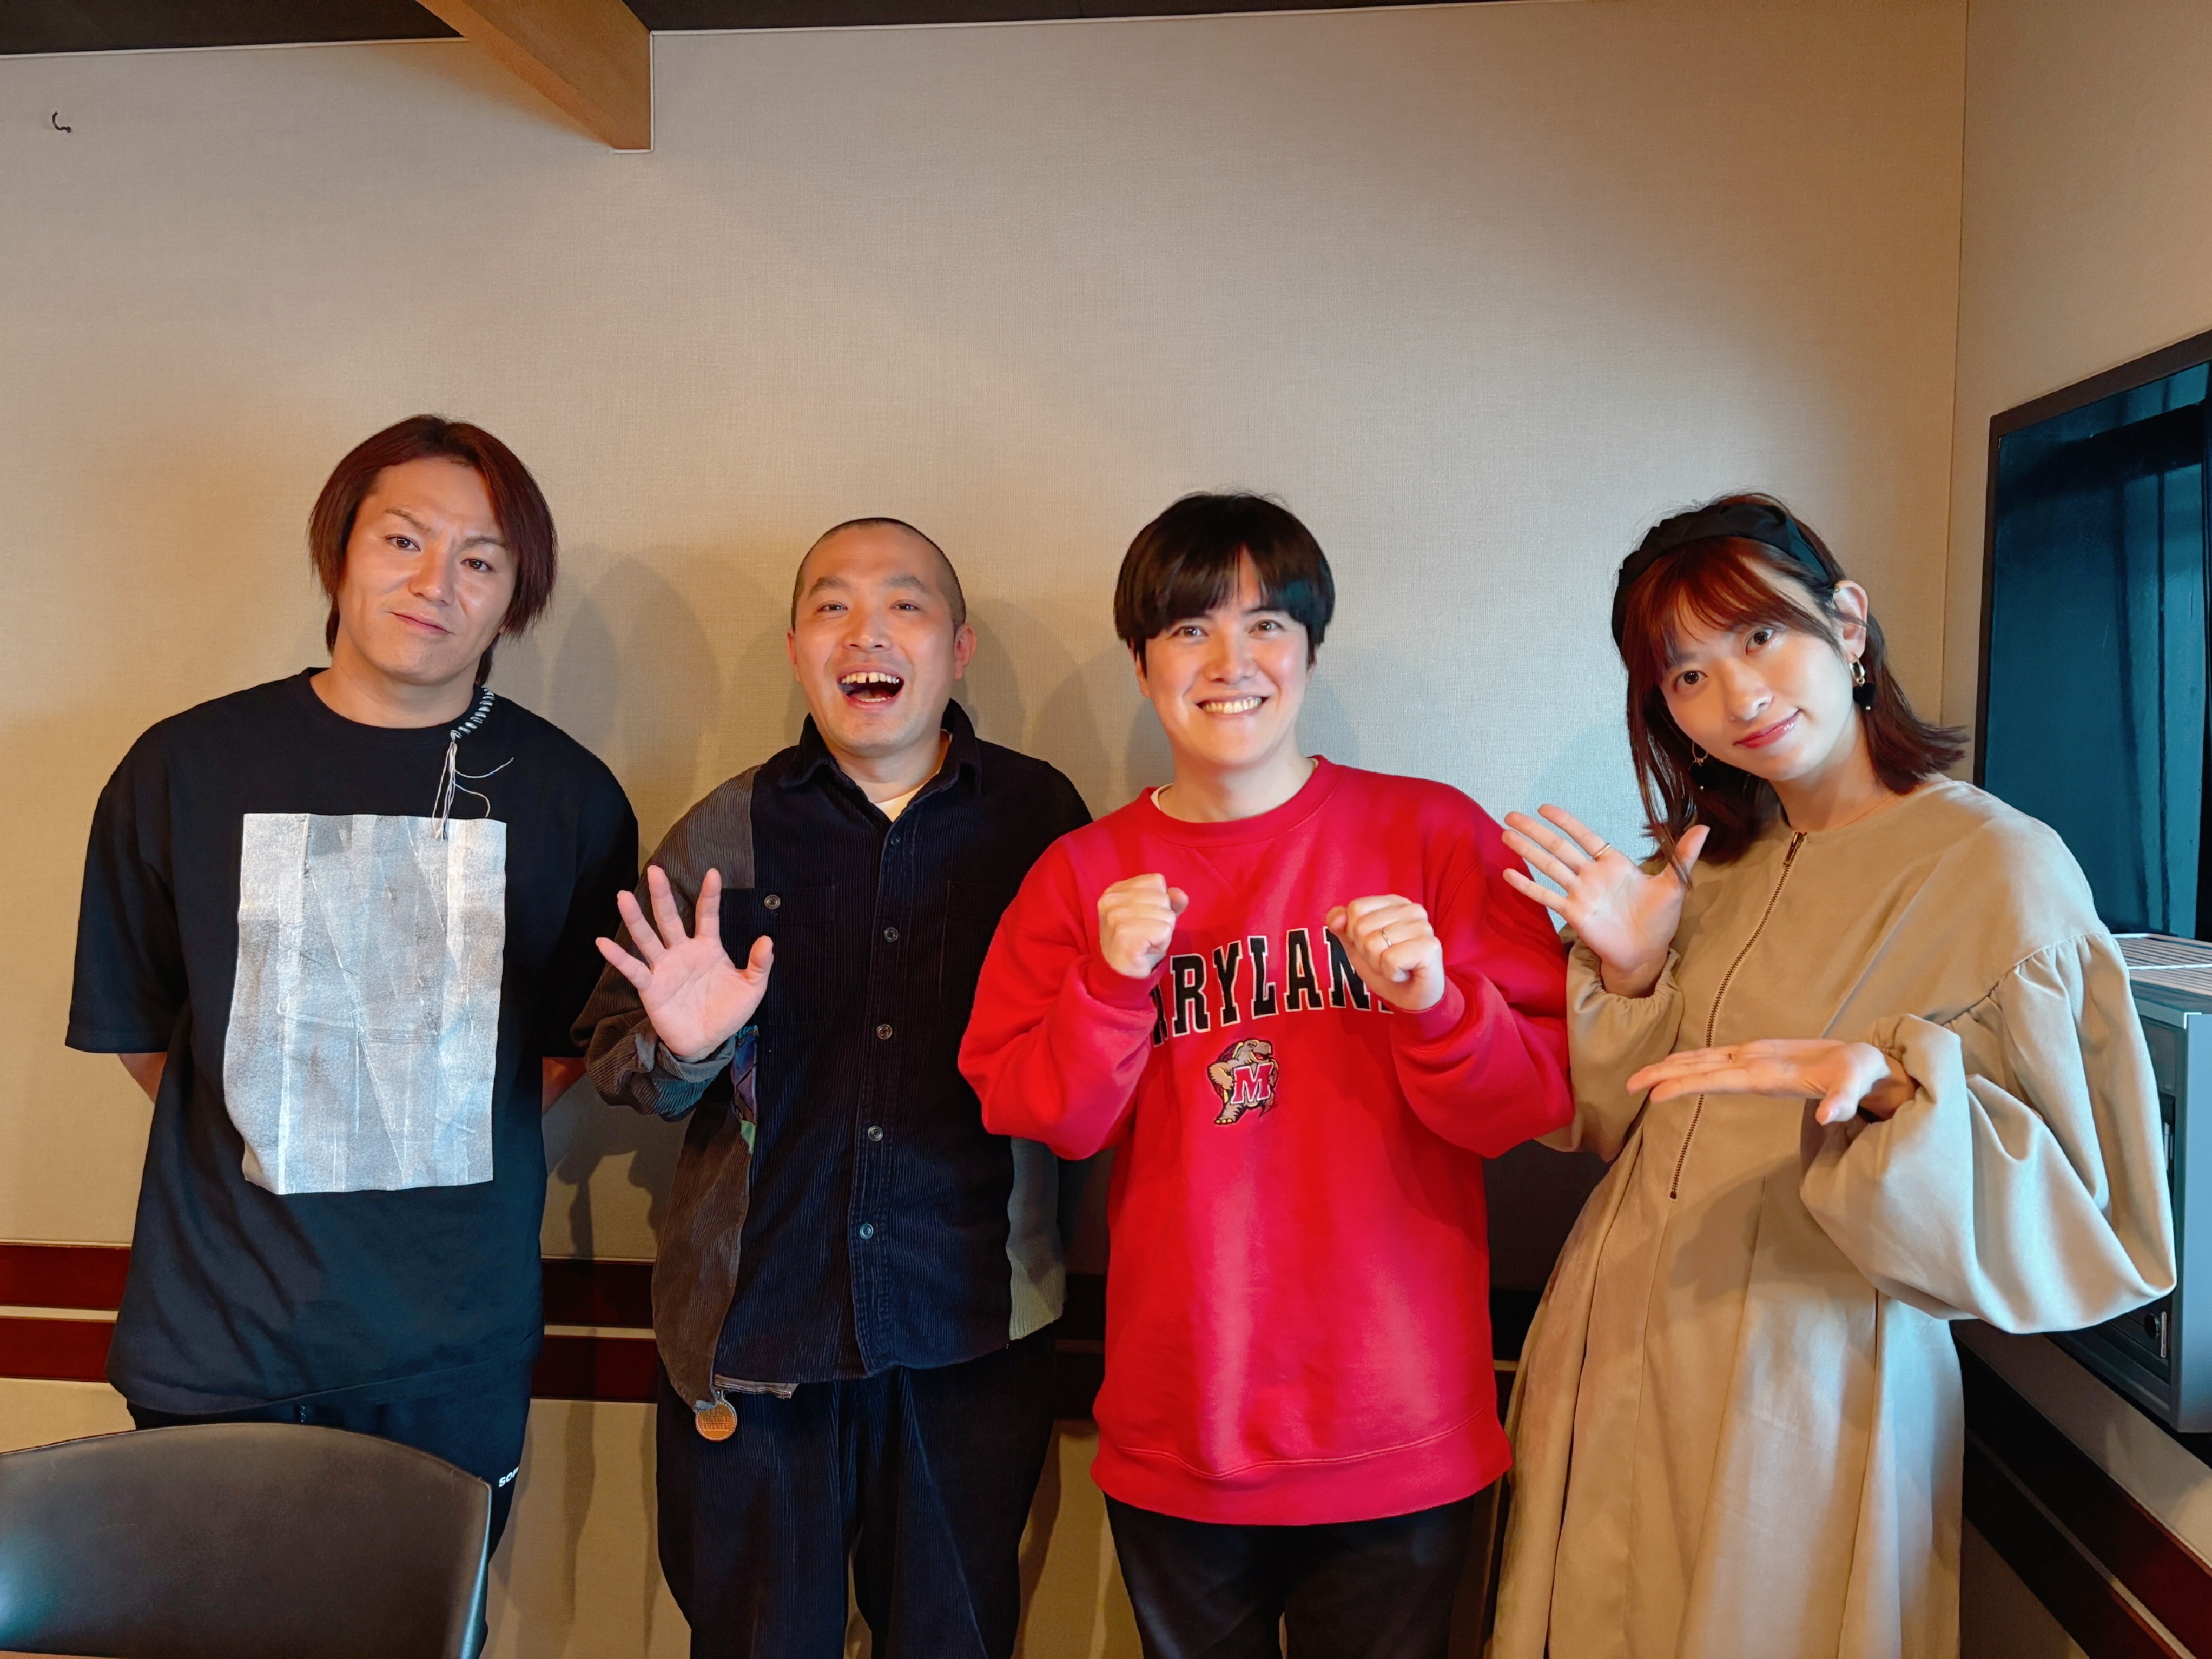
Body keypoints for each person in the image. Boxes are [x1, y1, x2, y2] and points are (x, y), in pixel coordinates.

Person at [1489, 494, 2177, 1658]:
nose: (1736, 696)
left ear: (1846, 625)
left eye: (1759, 636)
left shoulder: (1995, 867)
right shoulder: (1699, 870)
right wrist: (1633, 973)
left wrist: (1894, 1093)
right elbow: (1610, 1120)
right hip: (1612, 1330)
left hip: (1807, 1372)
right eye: (1685, 674)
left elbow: (2090, 1213)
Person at [959, 493, 1574, 1659]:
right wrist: (1108, 982)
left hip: (1399, 1425)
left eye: (1265, 627)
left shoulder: (1431, 836)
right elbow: (1044, 1116)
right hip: (1183, 1423)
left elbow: (1532, 1100)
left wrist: (1433, 1004)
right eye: (1190, 629)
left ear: (1309, 650)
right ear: (1141, 661)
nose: (1229, 662)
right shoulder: (1081, 875)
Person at [66, 415, 638, 1552]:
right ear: (339, 550)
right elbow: (144, 1028)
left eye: (481, 561)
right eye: (403, 541)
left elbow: (563, 1047)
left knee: (424, 1627)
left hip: (452, 1351)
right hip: (217, 1342)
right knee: (201, 1629)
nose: (436, 584)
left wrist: (405, 1118)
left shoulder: (570, 796)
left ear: (513, 598)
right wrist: (295, 1113)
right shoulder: (182, 767)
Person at [578, 518, 1091, 1659]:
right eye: (831, 606)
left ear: (957, 648)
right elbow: (623, 1063)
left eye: (904, 604)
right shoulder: (725, 828)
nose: (867, 631)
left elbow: (1094, 1055)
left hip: (973, 1326)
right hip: (757, 1326)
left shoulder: (1040, 821)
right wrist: (687, 1050)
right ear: (796, 651)